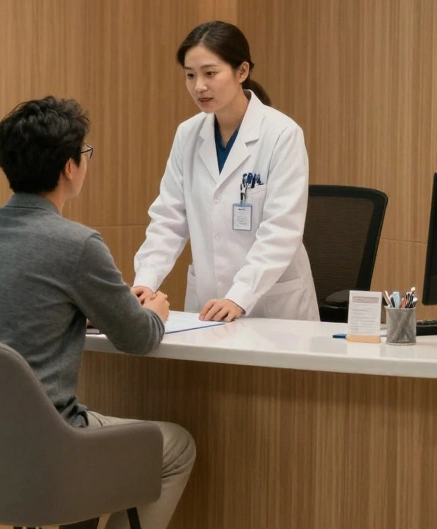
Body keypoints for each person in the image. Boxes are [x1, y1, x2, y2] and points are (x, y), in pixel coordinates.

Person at [0, 97, 194, 529]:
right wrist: (155, 312)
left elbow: (21, 307)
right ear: (69, 167)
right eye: (84, 153)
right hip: (46, 447)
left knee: (88, 445)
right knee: (176, 445)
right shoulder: (76, 244)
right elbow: (139, 338)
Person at [132, 21, 317, 322]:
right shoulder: (188, 134)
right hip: (209, 304)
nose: (199, 86)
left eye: (210, 73)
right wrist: (145, 280)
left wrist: (239, 296)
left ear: (241, 72)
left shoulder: (282, 133)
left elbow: (281, 230)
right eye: (190, 75)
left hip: (272, 307)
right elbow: (169, 218)